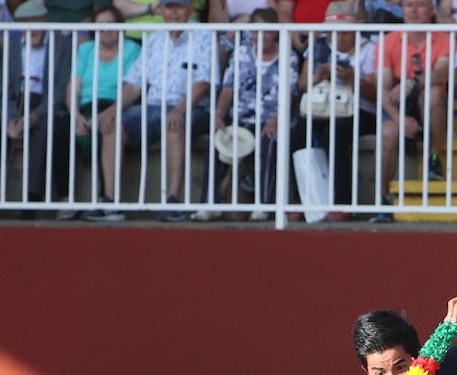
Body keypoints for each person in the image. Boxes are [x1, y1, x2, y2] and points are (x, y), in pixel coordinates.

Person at [98, 0, 217, 220]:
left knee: (174, 123)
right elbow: (134, 84)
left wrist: (179, 110)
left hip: (192, 107)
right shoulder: (154, 39)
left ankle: (173, 201)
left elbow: (202, 84)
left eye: (179, 7)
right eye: (169, 7)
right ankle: (110, 202)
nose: (174, 13)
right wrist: (113, 109)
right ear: (161, 10)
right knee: (112, 125)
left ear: (191, 9)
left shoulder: (204, 36)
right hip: (153, 106)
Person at [0, 0, 74, 214]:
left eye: (35, 22)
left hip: (45, 105)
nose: (30, 28)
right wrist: (10, 119)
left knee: (44, 131)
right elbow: (3, 89)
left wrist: (35, 115)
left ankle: (31, 199)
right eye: (24, 23)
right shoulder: (12, 45)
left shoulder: (63, 44)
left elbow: (61, 89)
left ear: (45, 21)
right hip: (16, 103)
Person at [199, 8, 298, 217]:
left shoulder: (288, 56)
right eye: (255, 31)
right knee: (217, 139)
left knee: (268, 140)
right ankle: (209, 204)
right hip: (240, 117)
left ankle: (264, 205)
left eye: (265, 31)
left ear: (275, 32)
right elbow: (227, 90)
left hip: (272, 118)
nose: (260, 36)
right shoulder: (241, 53)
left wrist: (276, 120)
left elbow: (288, 95)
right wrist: (218, 114)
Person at [372, 0, 452, 219]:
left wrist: (413, 81)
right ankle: (383, 199)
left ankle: (434, 161)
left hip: (430, 104)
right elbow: (383, 88)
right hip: (398, 105)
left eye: (420, 4)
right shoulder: (388, 40)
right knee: (387, 132)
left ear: (432, 10)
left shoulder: (443, 38)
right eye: (408, 5)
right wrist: (400, 119)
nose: (414, 10)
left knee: (433, 93)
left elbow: (442, 74)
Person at [298, 2, 378, 217]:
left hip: (360, 111)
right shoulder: (318, 46)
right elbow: (302, 86)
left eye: (344, 32)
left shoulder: (369, 48)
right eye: (333, 31)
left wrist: (352, 79)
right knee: (298, 131)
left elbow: (375, 94)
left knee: (336, 132)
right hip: (321, 108)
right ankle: (300, 200)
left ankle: (342, 202)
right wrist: (317, 77)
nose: (338, 37)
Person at [71, 5, 142, 220]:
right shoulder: (86, 49)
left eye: (111, 25)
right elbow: (73, 86)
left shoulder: (132, 48)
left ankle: (107, 200)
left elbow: (132, 88)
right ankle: (67, 200)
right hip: (85, 105)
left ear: (120, 26)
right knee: (59, 124)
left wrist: (108, 112)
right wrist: (75, 114)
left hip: (115, 104)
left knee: (106, 126)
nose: (106, 30)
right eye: (100, 25)